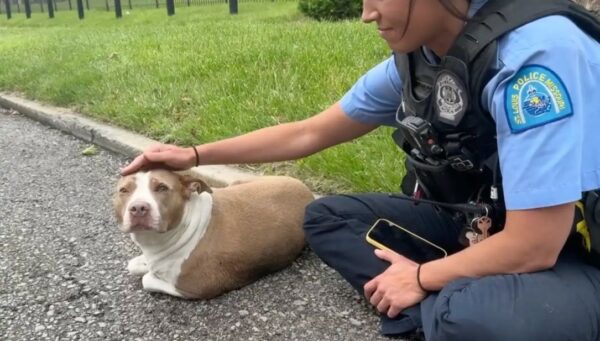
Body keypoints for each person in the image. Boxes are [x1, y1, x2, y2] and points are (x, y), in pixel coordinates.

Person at [121, 0, 600, 339]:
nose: (367, 12)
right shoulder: (425, 57)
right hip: (482, 226)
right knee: (325, 218)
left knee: (468, 317)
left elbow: (536, 243)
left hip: (573, 251)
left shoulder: (536, 58)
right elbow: (309, 133)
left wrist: (421, 278)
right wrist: (195, 155)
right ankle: (440, 301)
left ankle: (437, 304)